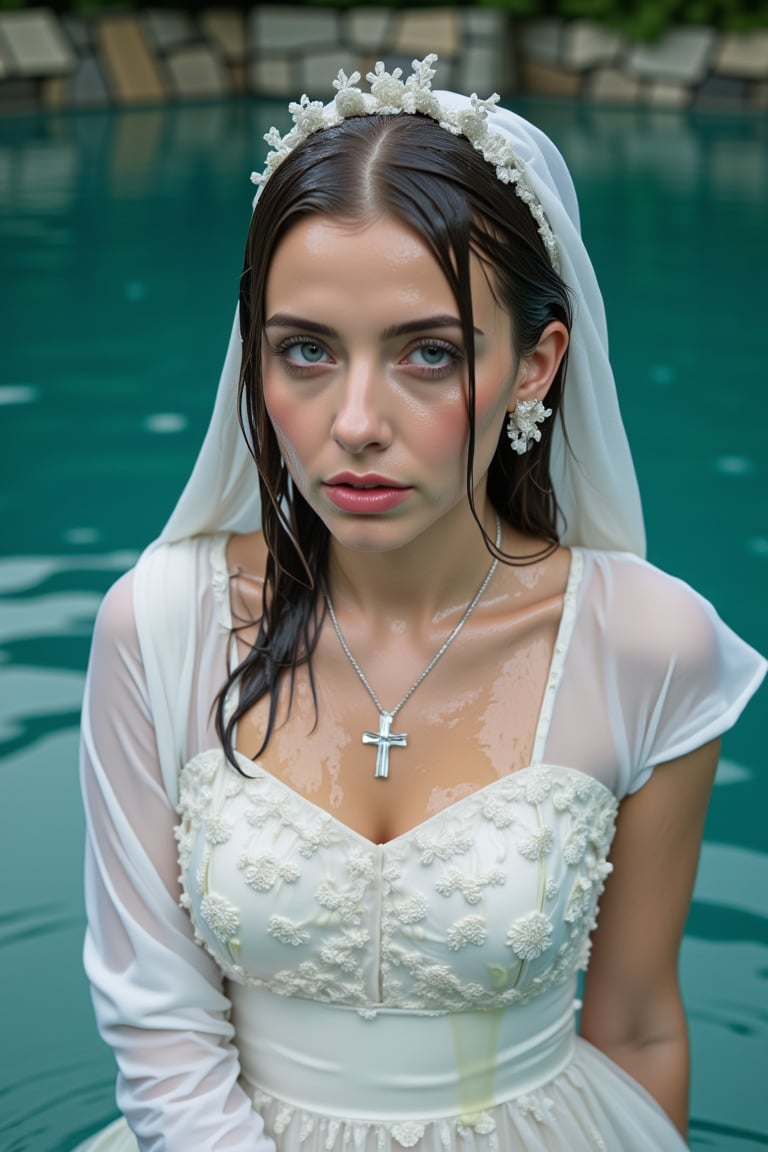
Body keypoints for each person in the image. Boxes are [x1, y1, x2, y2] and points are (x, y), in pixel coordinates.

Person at [77, 56, 765, 1152]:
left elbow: (636, 1027)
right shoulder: (160, 625)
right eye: (305, 349)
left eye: (427, 354)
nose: (354, 421)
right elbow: (156, 1020)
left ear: (538, 364)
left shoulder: (650, 644)